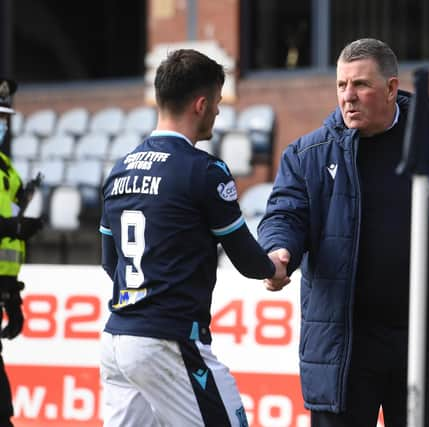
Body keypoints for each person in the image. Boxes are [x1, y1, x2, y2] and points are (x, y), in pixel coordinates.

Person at [258, 38, 429, 427]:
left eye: (360, 85)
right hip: (344, 343)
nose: (348, 97)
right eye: (341, 85)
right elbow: (285, 215)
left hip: (421, 340)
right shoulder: (307, 155)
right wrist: (279, 251)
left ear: (391, 88)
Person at [99, 49, 288, 427]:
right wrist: (274, 267)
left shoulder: (119, 170)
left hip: (117, 340)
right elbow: (246, 259)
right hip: (169, 340)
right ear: (201, 104)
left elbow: (110, 262)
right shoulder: (204, 171)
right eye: (217, 103)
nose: (218, 112)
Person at [0, 77, 44, 427]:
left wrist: (12, 295)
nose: (3, 126)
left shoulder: (5, 167)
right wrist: (12, 227)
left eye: (4, 119)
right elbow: (8, 227)